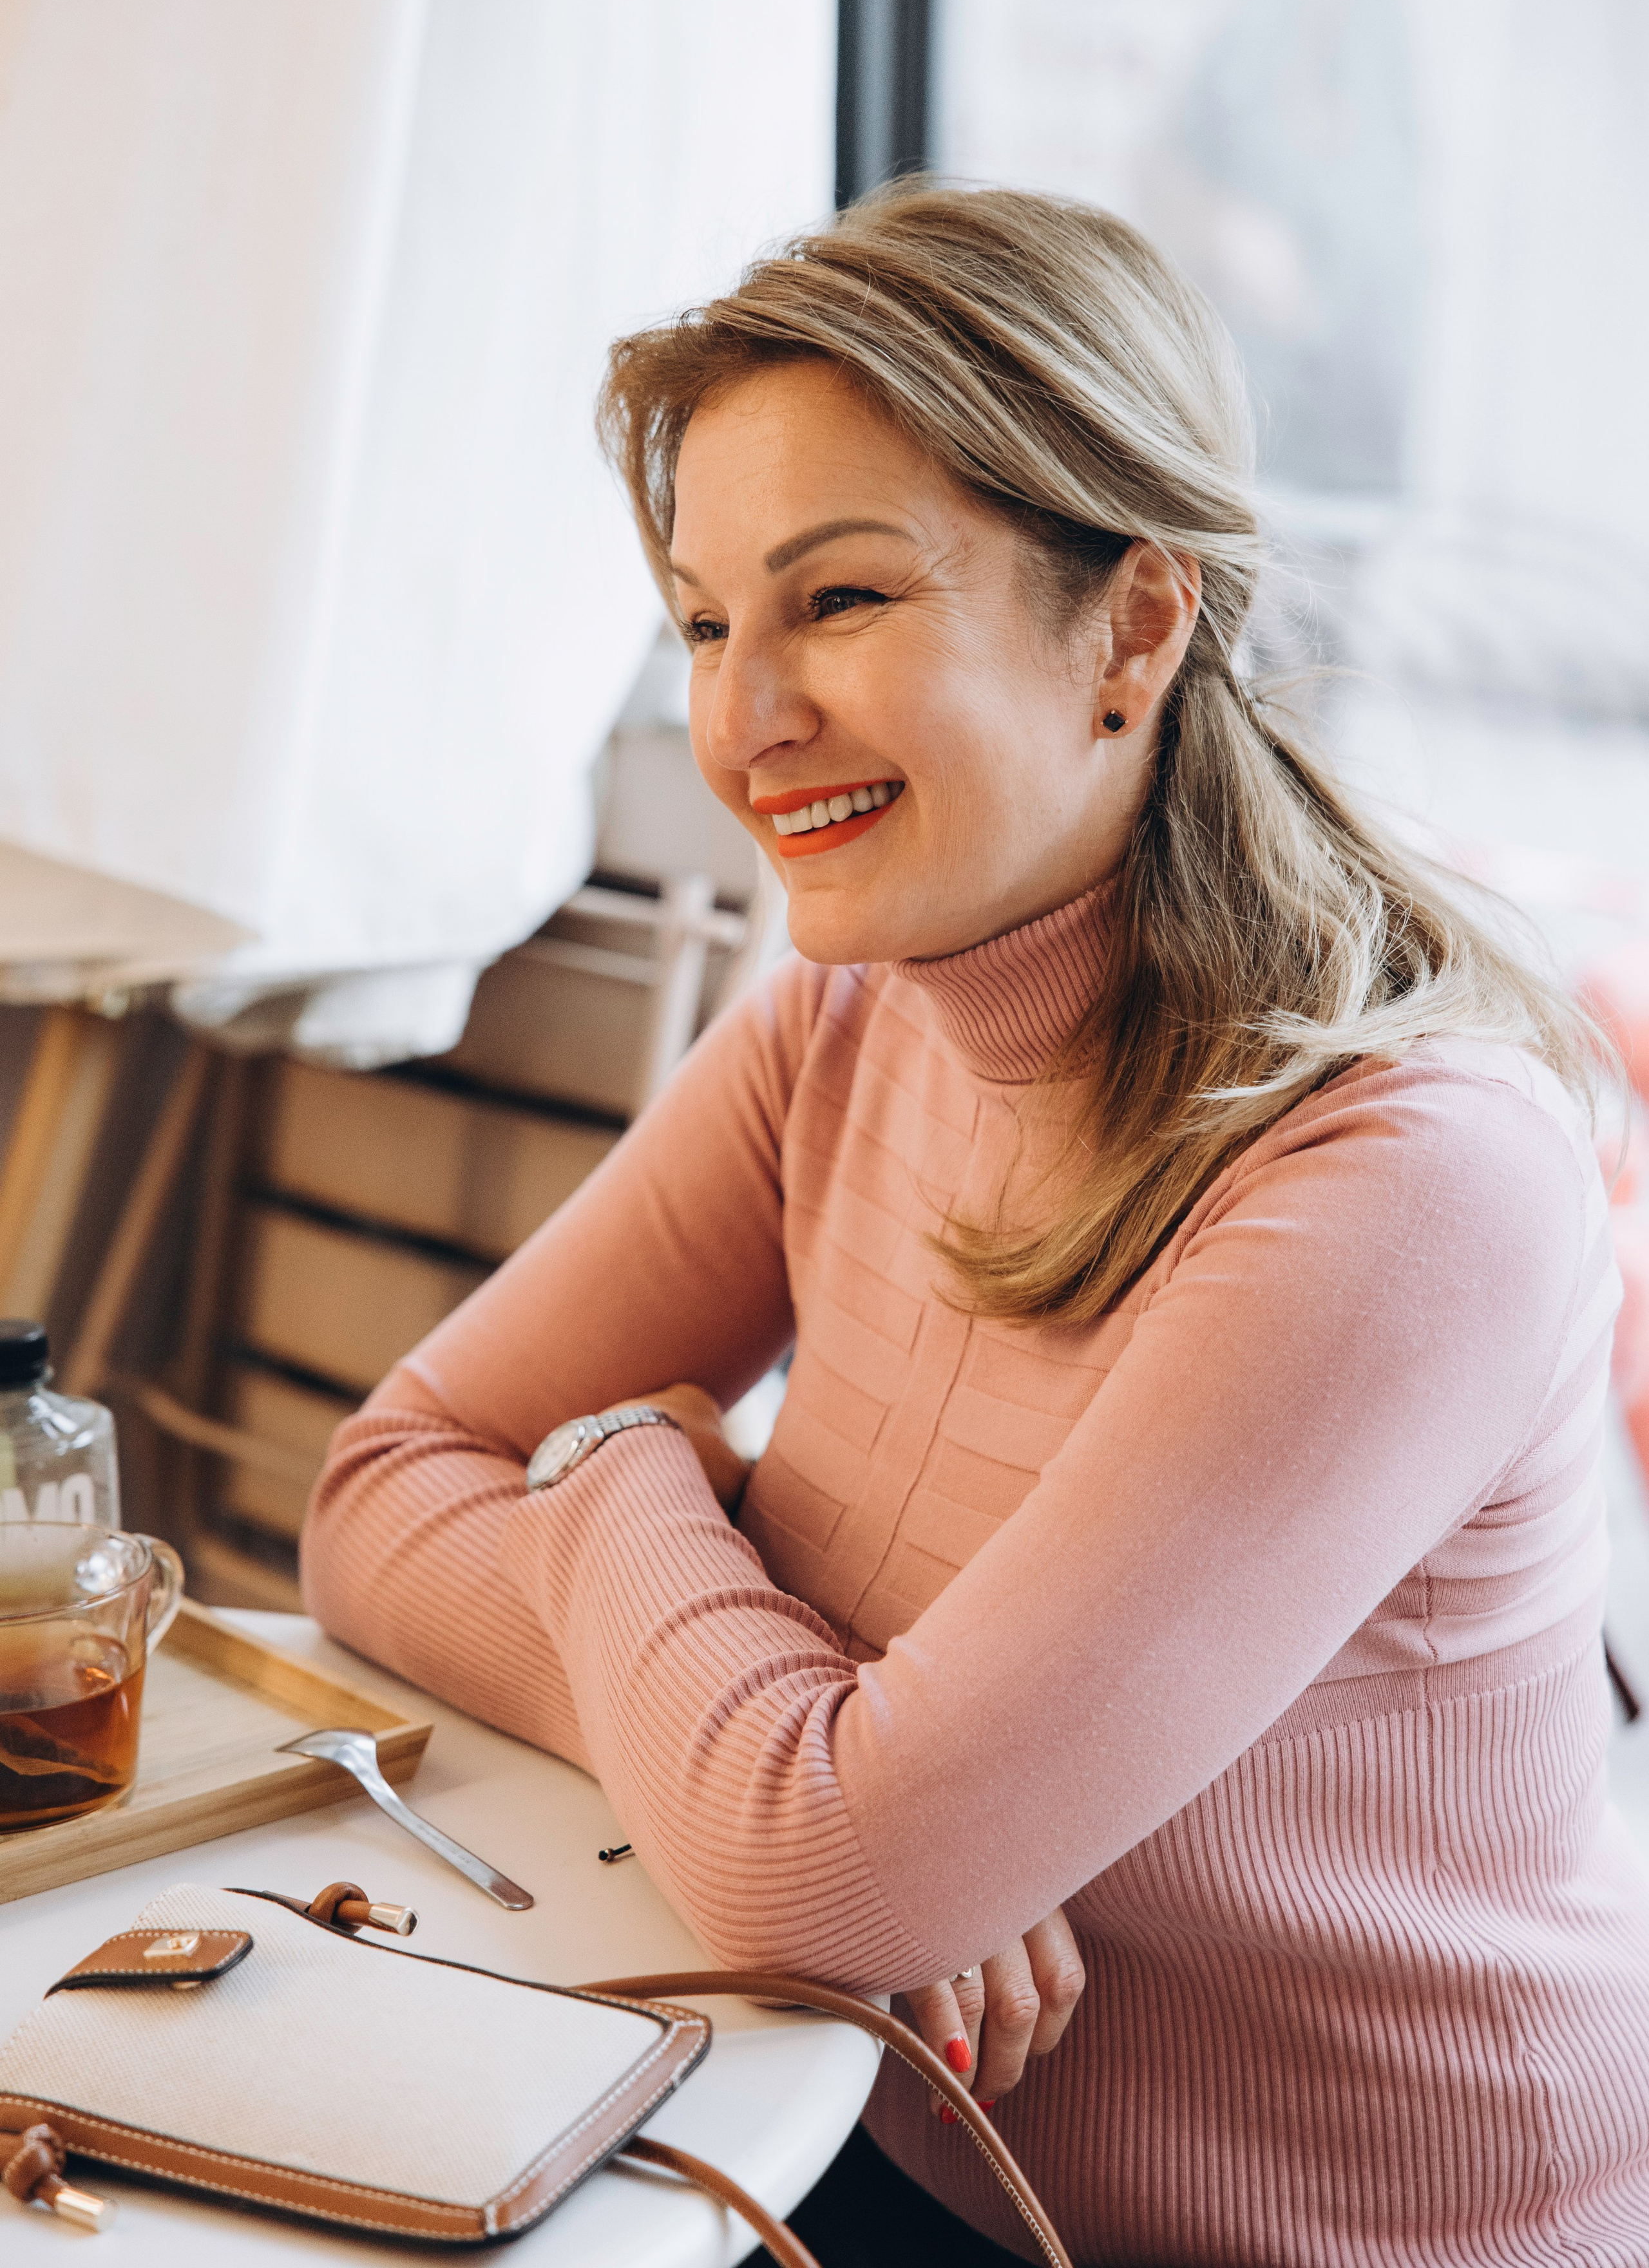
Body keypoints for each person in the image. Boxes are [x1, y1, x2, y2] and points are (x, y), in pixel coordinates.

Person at [301, 184, 1649, 2266]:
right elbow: (377, 1499)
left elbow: (823, 1876)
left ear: (1136, 620)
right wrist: (833, 1756)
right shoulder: (848, 1018)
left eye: (838, 601)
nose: (744, 726)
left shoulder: (1406, 1178)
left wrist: (627, 1467)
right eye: (704, 620)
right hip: (891, 2137)